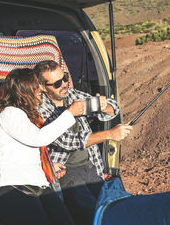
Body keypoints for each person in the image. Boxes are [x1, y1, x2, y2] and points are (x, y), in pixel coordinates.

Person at [33, 60, 133, 225]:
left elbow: (113, 108)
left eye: (64, 78)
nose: (64, 84)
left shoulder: (72, 95)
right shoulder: (40, 107)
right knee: (89, 214)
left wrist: (104, 106)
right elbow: (66, 141)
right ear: (43, 87)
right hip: (66, 171)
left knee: (110, 206)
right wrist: (110, 134)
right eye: (58, 83)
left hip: (92, 165)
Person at [0, 68, 84, 225]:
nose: (40, 89)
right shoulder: (9, 113)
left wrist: (50, 165)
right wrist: (70, 114)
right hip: (10, 187)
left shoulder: (25, 115)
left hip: (34, 184)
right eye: (36, 85)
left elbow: (22, 151)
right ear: (24, 89)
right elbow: (39, 139)